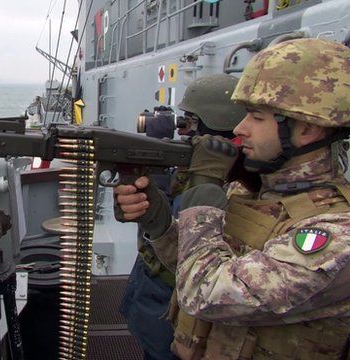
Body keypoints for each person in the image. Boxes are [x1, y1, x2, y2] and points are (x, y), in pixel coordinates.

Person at [115, 38, 350, 359]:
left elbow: (204, 292)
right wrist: (158, 221)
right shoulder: (252, 189)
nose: (240, 127)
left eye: (255, 116)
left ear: (307, 129)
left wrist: (202, 193)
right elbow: (195, 265)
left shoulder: (335, 235)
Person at [119, 74, 246, 360]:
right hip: (154, 307)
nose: (184, 131)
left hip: (181, 320)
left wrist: (203, 178)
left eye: (190, 122)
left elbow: (190, 242)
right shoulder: (201, 168)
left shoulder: (236, 185)